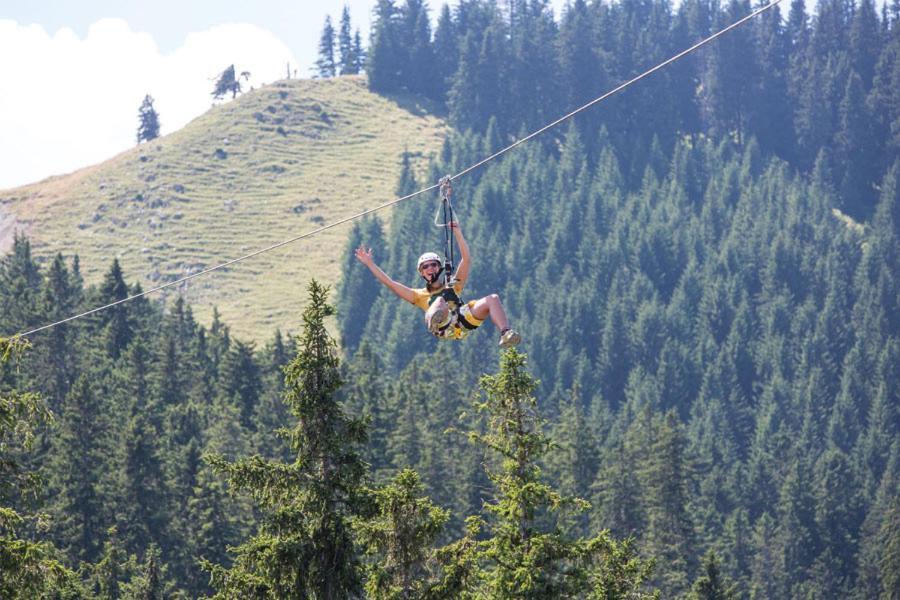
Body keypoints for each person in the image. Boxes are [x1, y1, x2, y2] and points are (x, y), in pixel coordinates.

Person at [354, 222, 522, 348]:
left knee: (492, 298)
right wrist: (370, 263)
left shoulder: (453, 285)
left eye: (433, 265)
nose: (430, 269)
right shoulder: (418, 295)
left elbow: (466, 260)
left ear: (439, 267)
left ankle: (506, 333)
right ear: (421, 273)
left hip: (461, 322)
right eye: (425, 267)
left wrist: (457, 232)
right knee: (440, 301)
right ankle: (435, 318)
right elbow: (390, 283)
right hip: (442, 328)